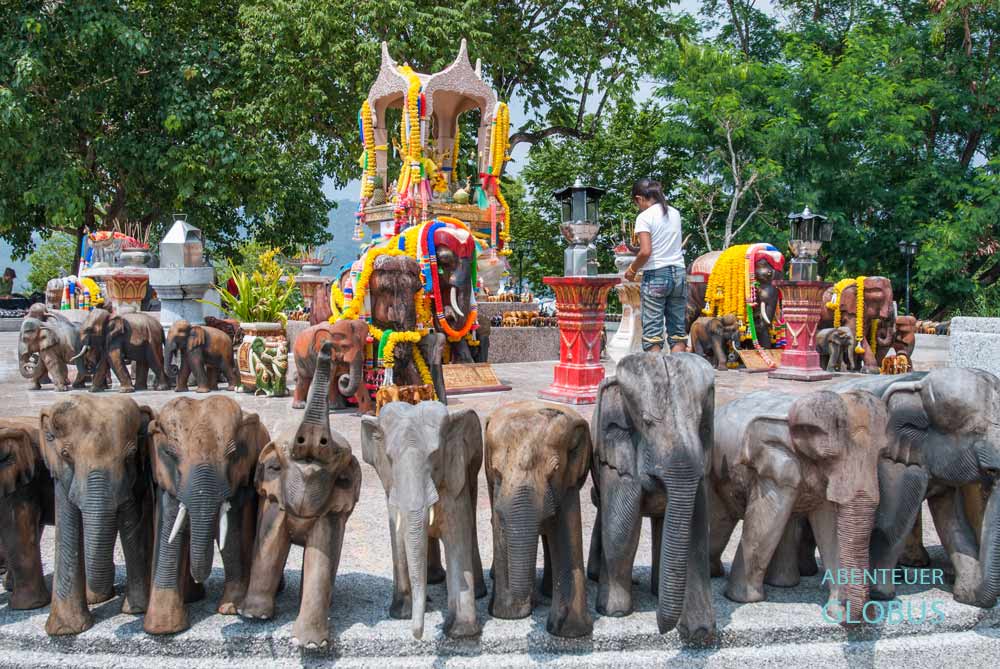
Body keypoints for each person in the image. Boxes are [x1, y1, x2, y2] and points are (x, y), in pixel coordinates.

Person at [623, 179, 687, 353]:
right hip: (679, 273)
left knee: (652, 333)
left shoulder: (644, 217)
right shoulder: (674, 213)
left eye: (636, 203)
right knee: (678, 331)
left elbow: (645, 252)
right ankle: (678, 375)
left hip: (657, 275)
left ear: (639, 199)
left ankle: (656, 376)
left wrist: (632, 270)